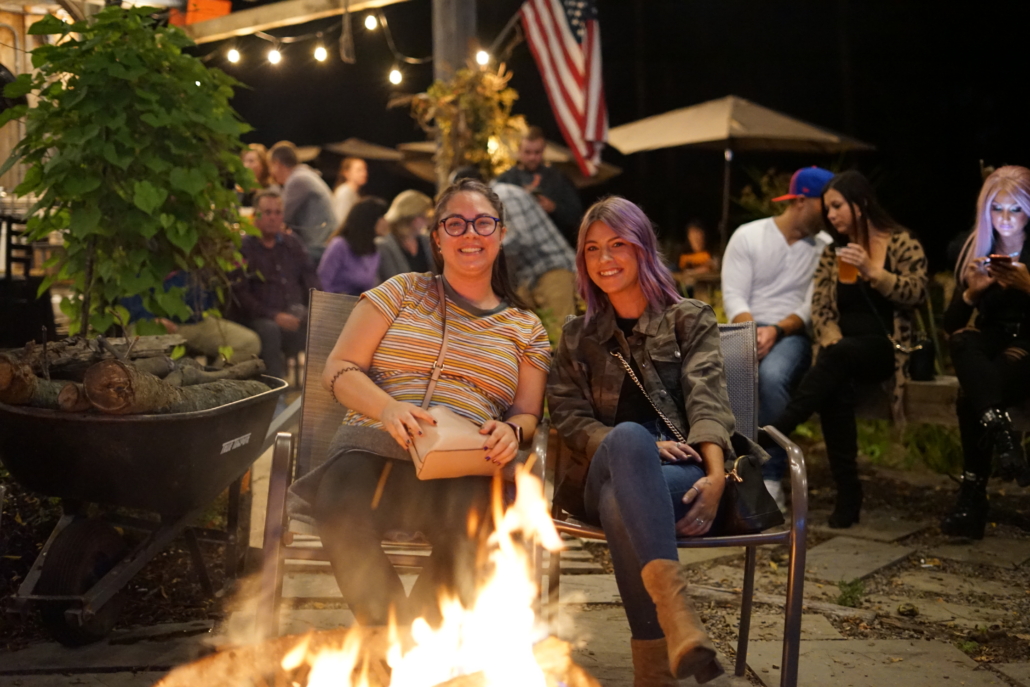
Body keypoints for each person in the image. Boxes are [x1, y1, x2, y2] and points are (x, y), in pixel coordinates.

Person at [289, 178, 551, 627]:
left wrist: (512, 430)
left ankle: (407, 641)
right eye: (456, 223)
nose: (470, 233)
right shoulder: (402, 292)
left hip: (464, 461)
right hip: (373, 445)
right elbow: (340, 368)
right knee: (339, 507)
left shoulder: (526, 328)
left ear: (501, 234)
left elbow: (527, 414)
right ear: (437, 237)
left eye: (483, 222)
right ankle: (396, 638)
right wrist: (387, 408)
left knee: (474, 529)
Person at [548, 196, 747, 686]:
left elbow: (708, 399)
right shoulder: (578, 335)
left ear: (643, 248)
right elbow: (568, 418)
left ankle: (654, 666)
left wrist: (718, 477)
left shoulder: (689, 318)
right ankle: (677, 613)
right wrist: (630, 444)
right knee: (630, 440)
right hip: (602, 466)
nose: (605, 259)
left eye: (618, 245)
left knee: (622, 503)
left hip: (678, 474)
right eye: (592, 249)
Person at [772, 171, 928, 528]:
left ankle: (776, 430)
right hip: (842, 350)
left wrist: (874, 272)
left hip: (888, 347)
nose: (832, 216)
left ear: (861, 203)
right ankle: (848, 492)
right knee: (835, 383)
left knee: (836, 360)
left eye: (838, 206)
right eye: (828, 209)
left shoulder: (902, 242)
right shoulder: (833, 251)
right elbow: (821, 308)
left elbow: (916, 292)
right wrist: (829, 335)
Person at [720, 166, 835, 508]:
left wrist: (777, 330)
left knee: (771, 377)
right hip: (745, 326)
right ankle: (729, 470)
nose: (830, 214)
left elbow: (812, 305)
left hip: (791, 333)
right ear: (801, 201)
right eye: (824, 205)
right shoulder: (749, 235)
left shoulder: (825, 246)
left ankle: (770, 476)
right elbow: (734, 295)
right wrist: (751, 332)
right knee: (725, 372)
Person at [941, 166, 1030, 539]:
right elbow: (951, 324)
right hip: (992, 340)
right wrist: (971, 293)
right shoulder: (973, 247)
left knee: (969, 397)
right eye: (998, 209)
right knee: (962, 340)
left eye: (1016, 209)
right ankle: (1004, 438)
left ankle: (972, 498)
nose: (1005, 219)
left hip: (1028, 344)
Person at [450, 165, 577, 328]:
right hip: (529, 275)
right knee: (520, 332)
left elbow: (522, 237)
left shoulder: (503, 195)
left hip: (552, 268)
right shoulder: (488, 206)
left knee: (562, 335)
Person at [232, 189, 322, 381]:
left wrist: (312, 309)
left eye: (277, 212)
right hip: (259, 317)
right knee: (270, 330)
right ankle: (276, 394)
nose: (273, 218)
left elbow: (310, 277)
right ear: (255, 216)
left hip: (294, 313)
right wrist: (274, 315)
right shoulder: (244, 247)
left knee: (326, 323)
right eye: (267, 212)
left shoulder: (292, 244)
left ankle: (323, 393)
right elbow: (241, 294)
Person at [123, 271, 261, 366]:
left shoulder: (194, 255)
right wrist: (147, 318)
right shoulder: (140, 250)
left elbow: (206, 300)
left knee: (248, 342)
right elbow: (128, 294)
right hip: (150, 322)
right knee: (142, 347)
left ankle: (214, 385)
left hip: (195, 322)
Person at [496, 126, 583, 246]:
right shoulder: (506, 180)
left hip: (552, 245)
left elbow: (577, 215)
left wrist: (553, 208)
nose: (532, 157)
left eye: (537, 152)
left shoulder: (557, 178)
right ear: (519, 150)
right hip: (517, 246)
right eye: (528, 152)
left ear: (543, 150)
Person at [268, 141, 338, 264]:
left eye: (271, 167)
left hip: (318, 247)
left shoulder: (297, 180)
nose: (272, 174)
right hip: (325, 243)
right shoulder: (305, 174)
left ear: (277, 164)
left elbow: (281, 216)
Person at [318, 197, 388, 296]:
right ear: (369, 220)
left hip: (356, 307)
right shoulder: (339, 245)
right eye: (382, 217)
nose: (386, 222)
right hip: (332, 306)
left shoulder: (373, 251)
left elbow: (368, 290)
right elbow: (322, 284)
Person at [376, 190, 437, 281]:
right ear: (412, 218)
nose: (427, 222)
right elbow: (393, 283)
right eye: (425, 217)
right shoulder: (383, 245)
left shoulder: (426, 241)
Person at [332, 156, 367, 228]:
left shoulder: (355, 193)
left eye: (365, 170)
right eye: (359, 170)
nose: (364, 173)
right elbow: (341, 221)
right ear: (347, 173)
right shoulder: (345, 192)